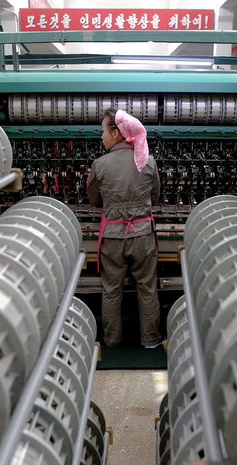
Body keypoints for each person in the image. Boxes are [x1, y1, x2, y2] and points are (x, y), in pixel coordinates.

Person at [88, 109, 162, 349]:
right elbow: (156, 196)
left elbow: (95, 201)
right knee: (147, 288)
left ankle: (112, 340)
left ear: (116, 133)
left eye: (103, 131)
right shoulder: (147, 161)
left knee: (111, 290)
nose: (101, 137)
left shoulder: (100, 165)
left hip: (113, 239)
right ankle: (150, 340)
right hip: (142, 237)